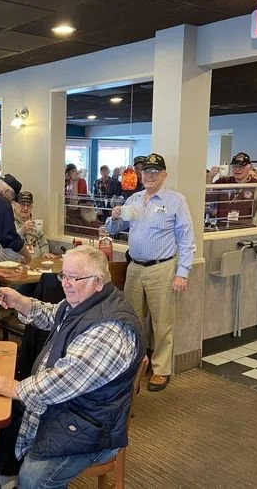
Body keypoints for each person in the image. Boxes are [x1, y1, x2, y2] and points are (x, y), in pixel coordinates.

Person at [0, 246, 141, 489]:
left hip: (91, 424)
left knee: (34, 479)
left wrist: (18, 388)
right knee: (10, 411)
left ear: (98, 282)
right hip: (71, 405)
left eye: (74, 278)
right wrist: (21, 302)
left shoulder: (110, 329)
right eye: (63, 276)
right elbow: (54, 314)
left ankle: (19, 481)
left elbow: (64, 380)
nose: (66, 283)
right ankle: (7, 480)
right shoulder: (83, 303)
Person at [106, 153, 195, 392]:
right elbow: (112, 229)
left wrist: (182, 272)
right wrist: (113, 217)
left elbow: (187, 240)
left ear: (164, 175)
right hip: (134, 267)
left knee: (161, 322)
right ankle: (135, 365)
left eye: (155, 172)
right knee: (132, 321)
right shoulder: (134, 199)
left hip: (162, 268)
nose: (149, 176)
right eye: (146, 172)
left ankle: (161, 370)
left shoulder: (176, 201)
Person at [208, 151, 257, 226]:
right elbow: (208, 197)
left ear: (249, 168)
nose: (237, 170)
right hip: (223, 228)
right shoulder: (224, 181)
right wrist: (210, 176)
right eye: (235, 166)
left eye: (241, 167)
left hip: (247, 229)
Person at [0, 191, 56, 262]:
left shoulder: (35, 223)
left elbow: (42, 242)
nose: (26, 208)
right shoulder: (7, 222)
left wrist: (45, 253)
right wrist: (22, 230)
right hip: (14, 264)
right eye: (22, 205)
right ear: (14, 204)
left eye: (28, 205)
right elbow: (8, 244)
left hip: (35, 264)